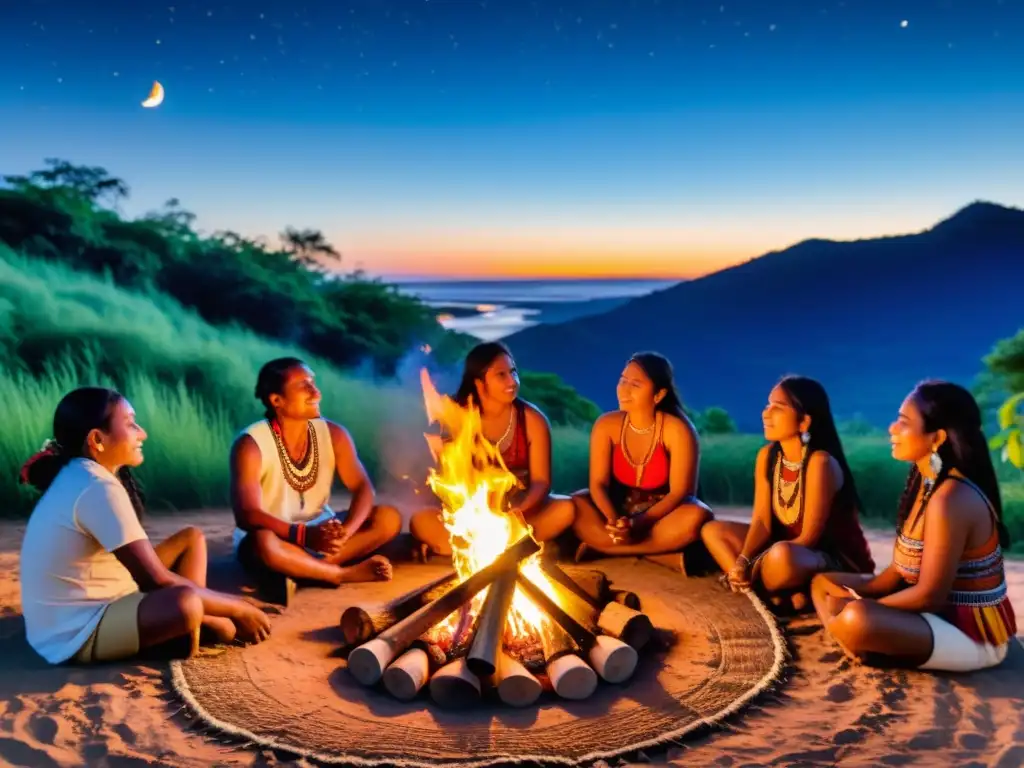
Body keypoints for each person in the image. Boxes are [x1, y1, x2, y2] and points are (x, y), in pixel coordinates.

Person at [18, 387, 271, 666]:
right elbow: (155, 579)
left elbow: (147, 570)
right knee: (191, 607)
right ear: (97, 439)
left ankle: (190, 623)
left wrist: (213, 605)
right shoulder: (96, 487)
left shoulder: (82, 473)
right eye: (130, 423)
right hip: (75, 631)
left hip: (80, 605)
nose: (142, 432)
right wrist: (240, 607)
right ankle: (185, 623)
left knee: (191, 539)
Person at [811, 381, 1016, 672]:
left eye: (903, 423)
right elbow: (900, 569)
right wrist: (864, 591)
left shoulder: (951, 497)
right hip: (932, 617)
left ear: (936, 438)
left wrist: (865, 607)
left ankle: (856, 637)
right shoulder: (925, 482)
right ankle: (855, 639)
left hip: (969, 633)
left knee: (858, 618)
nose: (892, 429)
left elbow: (929, 596)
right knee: (823, 583)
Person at [230, 357, 401, 604]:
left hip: (322, 533)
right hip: (279, 536)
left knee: (387, 517)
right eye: (303, 385)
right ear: (277, 400)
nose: (316, 392)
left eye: (313, 383)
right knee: (262, 542)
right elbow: (247, 514)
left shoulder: (334, 434)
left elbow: (363, 488)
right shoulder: (250, 444)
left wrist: (345, 531)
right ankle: (337, 573)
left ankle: (299, 572)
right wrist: (303, 536)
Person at [701, 376, 874, 610]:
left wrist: (752, 564)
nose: (766, 413)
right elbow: (762, 521)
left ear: (804, 422)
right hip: (780, 549)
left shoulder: (819, 463)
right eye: (767, 405)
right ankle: (781, 592)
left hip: (826, 558)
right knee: (713, 531)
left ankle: (765, 589)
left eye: (778, 407)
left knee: (783, 557)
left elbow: (808, 539)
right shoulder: (767, 457)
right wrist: (743, 559)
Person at [409, 341, 576, 559]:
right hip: (470, 516)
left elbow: (542, 482)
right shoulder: (457, 416)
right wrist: (472, 515)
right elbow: (449, 480)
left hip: (521, 515)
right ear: (479, 383)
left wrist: (520, 510)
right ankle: (512, 552)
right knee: (420, 521)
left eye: (513, 372)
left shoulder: (532, 420)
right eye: (501, 375)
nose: (512, 381)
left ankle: (468, 552)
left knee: (566, 509)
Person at [571, 352, 712, 559]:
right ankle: (656, 553)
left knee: (697, 514)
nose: (624, 389)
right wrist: (613, 521)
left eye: (635, 385)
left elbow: (681, 493)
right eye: (622, 380)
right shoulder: (606, 425)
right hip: (619, 512)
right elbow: (598, 484)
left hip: (660, 517)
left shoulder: (677, 429)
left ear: (658, 395)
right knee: (575, 502)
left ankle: (605, 549)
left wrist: (638, 524)